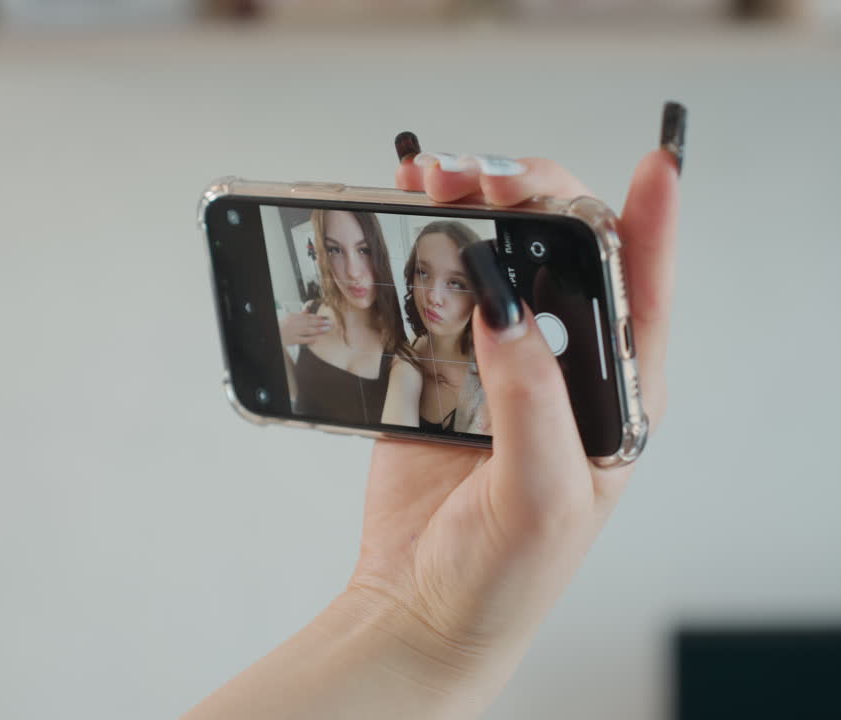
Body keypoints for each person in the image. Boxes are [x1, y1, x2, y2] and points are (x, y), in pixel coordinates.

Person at [0, 101, 683, 720]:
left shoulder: (413, 369)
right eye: (343, 253)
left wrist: (421, 620)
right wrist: (419, 628)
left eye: (374, 253)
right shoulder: (329, 347)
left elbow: (425, 618)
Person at [186, 108, 682, 717]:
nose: (432, 296)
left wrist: (427, 626)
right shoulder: (403, 364)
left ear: (484, 290)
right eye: (423, 274)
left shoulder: (497, 398)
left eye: (459, 281)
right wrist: (409, 613)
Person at [279, 209, 406, 425]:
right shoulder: (311, 311)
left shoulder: (398, 353)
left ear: (378, 252)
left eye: (364, 249)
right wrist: (276, 339)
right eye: (335, 250)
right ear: (322, 254)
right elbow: (299, 398)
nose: (353, 272)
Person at [380, 220, 486, 433]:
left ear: (478, 294)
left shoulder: (490, 379)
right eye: (423, 273)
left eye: (455, 283)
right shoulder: (404, 352)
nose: (433, 297)